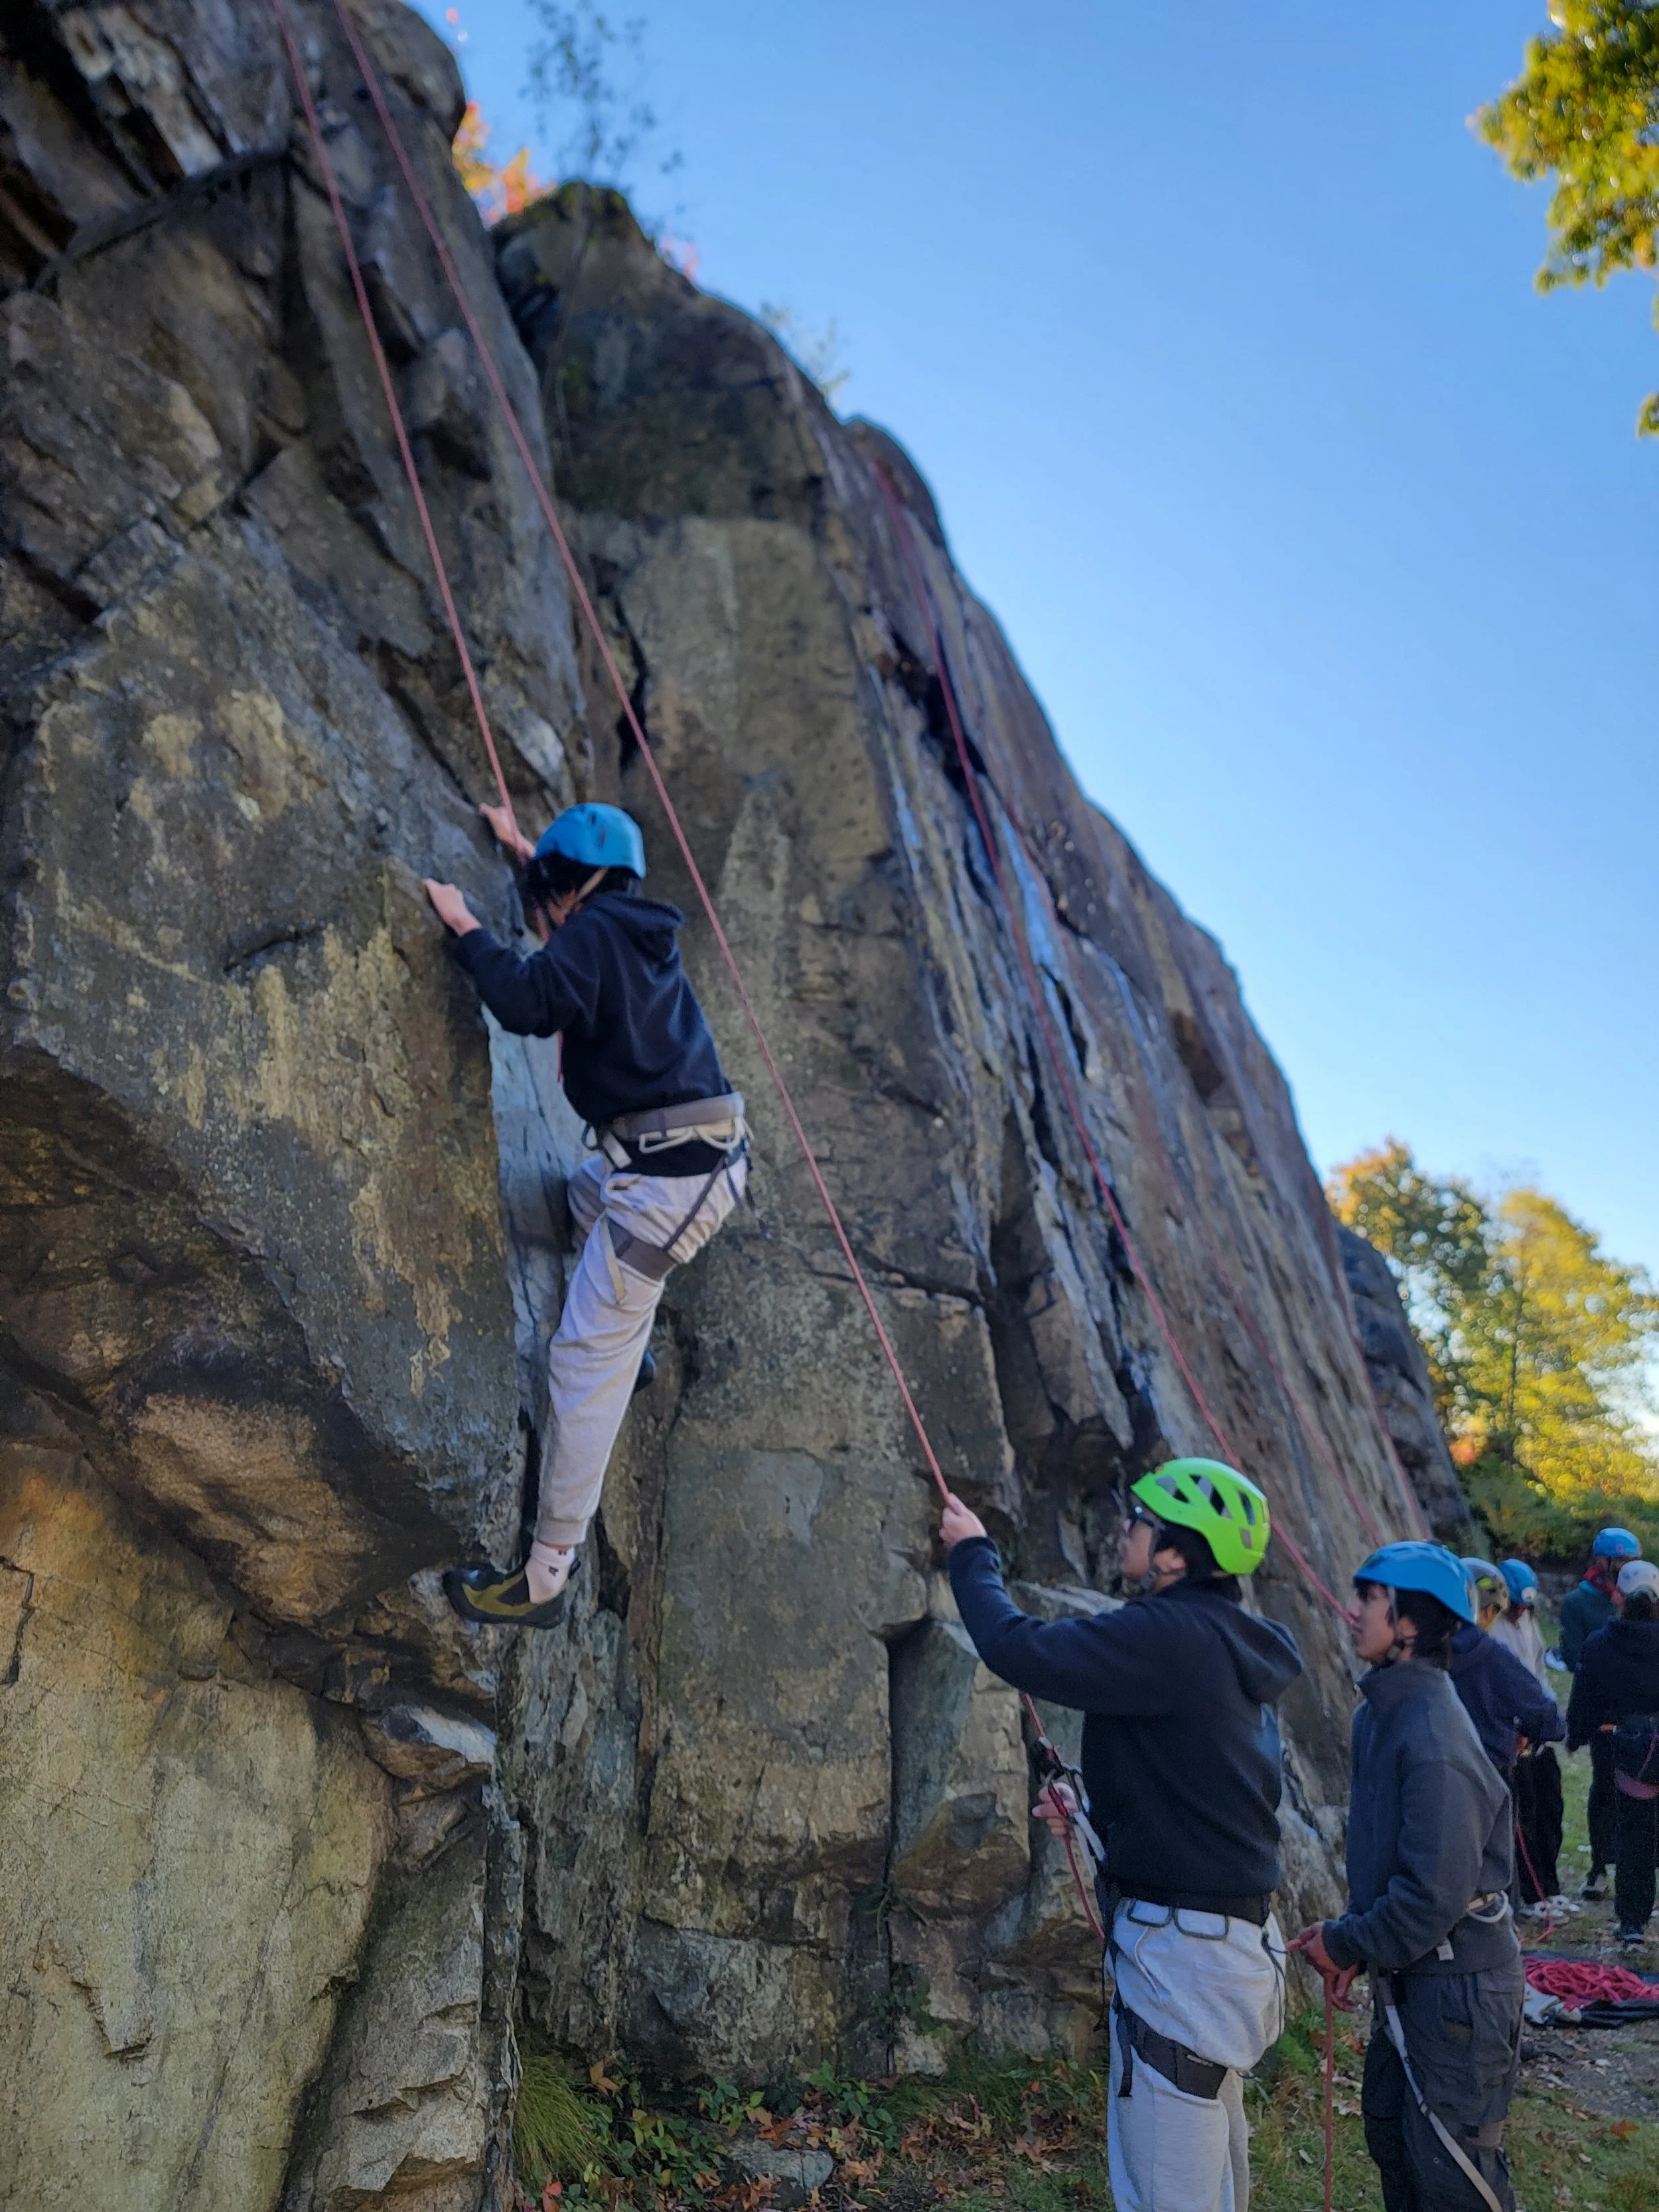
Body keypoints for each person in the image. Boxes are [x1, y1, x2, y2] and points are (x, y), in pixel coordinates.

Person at [940, 1459, 1301, 2212]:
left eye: (1139, 1520)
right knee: (1210, 2172)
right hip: (1225, 1949)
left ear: (1173, 1554)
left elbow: (1017, 1649)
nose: (1125, 1529)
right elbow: (1201, 1789)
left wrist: (972, 1553)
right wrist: (1095, 1812)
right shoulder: (1229, 1642)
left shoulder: (1166, 1632)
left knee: (1167, 2189)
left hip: (1184, 1959)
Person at [423, 802, 747, 1627]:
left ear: (573, 888)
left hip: (671, 1180)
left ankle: (542, 1578)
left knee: (577, 1365)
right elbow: (573, 923)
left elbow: (529, 1001)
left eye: (548, 889)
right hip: (670, 1157)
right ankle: (622, 1334)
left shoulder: (595, 934)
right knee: (576, 1198)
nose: (545, 910)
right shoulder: (626, 926)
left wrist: (464, 926)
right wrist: (527, 850)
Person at [1293, 1540, 1523, 2212]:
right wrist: (1355, 1942)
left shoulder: (1432, 1736)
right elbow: (1390, 1863)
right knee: (1396, 2147)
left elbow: (1431, 1893)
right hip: (1419, 1978)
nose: (1352, 1610)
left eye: (1369, 1599)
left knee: (1452, 2176)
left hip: (1460, 1992)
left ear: (1410, 1624)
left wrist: (1348, 1943)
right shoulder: (1382, 1715)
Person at [1449, 1560, 1565, 1919]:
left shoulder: (1415, 1650)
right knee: (1498, 1862)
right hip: (1491, 1769)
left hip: (1436, 1774)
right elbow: (1544, 1715)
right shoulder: (1489, 1654)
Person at [1567, 1559, 1659, 1946]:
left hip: (1627, 1749)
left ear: (1618, 1596)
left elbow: (1584, 1697)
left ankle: (1633, 1921)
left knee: (1633, 1831)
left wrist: (1576, 1733)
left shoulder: (1602, 1643)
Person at [1560, 1527, 1642, 1899]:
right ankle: (1598, 1868)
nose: (1628, 1569)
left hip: (1642, 1718)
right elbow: (1579, 1662)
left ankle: (1637, 1875)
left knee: (1643, 1799)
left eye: (1633, 1563)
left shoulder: (1644, 1600)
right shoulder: (1579, 1603)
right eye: (1622, 1562)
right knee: (1605, 1792)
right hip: (1606, 1718)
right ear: (1602, 1563)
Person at [1488, 1561, 1566, 1913]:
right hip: (1511, 1737)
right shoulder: (1491, 1629)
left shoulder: (1529, 1621)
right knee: (1525, 1818)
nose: (1520, 1611)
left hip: (1538, 1733)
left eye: (1525, 1605)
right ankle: (1531, 1896)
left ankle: (1550, 1888)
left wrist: (1549, 1716)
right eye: (1516, 1604)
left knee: (1551, 1809)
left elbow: (1538, 1672)